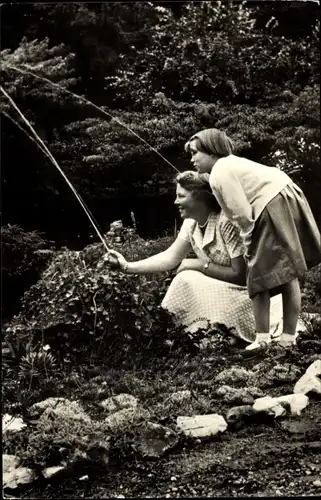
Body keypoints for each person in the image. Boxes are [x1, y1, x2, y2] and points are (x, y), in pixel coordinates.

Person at [101, 170, 293, 346]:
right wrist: (126, 266)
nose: (175, 202)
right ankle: (175, 334)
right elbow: (170, 258)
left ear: (200, 197)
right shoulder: (190, 222)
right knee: (186, 280)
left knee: (187, 279)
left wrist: (201, 265)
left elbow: (242, 275)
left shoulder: (226, 222)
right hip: (220, 295)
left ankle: (173, 333)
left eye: (181, 196)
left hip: (248, 299)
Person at [184, 128, 321, 350]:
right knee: (288, 272)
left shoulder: (220, 171)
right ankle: (287, 337)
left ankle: (262, 339)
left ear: (211, 151)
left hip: (271, 202)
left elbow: (242, 215)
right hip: (286, 193)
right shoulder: (229, 165)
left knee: (257, 274)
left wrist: (249, 245)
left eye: (195, 153)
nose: (192, 159)